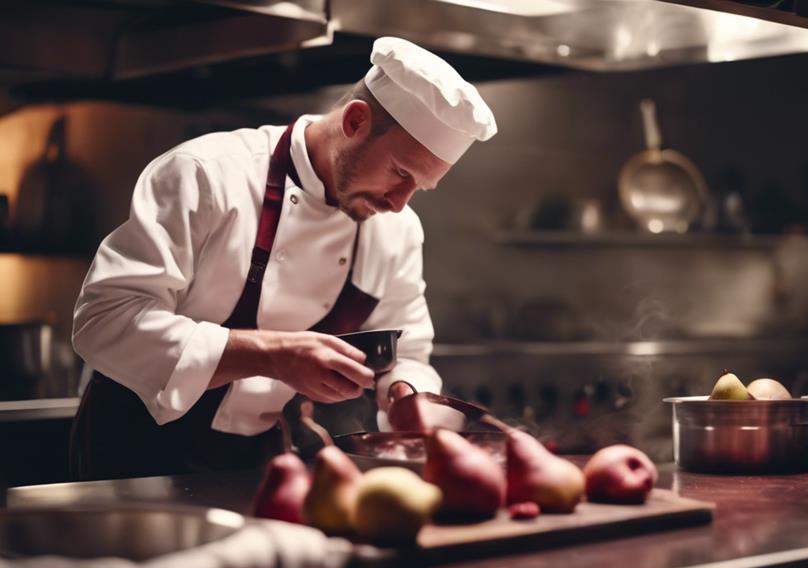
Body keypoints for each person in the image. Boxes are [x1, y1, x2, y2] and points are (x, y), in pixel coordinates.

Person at [68, 37, 497, 480]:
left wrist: (407, 394)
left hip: (260, 460)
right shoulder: (206, 174)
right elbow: (105, 321)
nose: (399, 203)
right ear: (354, 121)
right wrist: (272, 354)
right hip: (133, 453)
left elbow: (407, 352)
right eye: (401, 174)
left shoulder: (397, 230)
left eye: (418, 188)